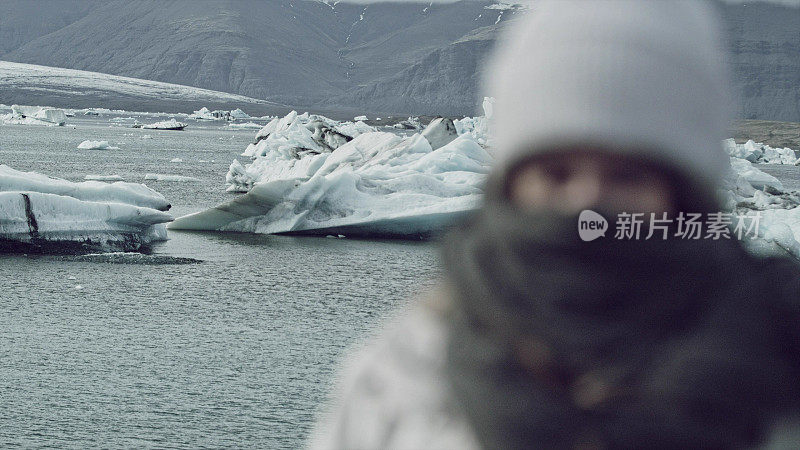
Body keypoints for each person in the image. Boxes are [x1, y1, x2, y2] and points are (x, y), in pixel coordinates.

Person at [309, 1, 800, 448]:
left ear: (683, 192)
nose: (587, 200)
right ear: (509, 185)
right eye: (556, 172)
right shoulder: (403, 374)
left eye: (626, 174)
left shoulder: (781, 362)